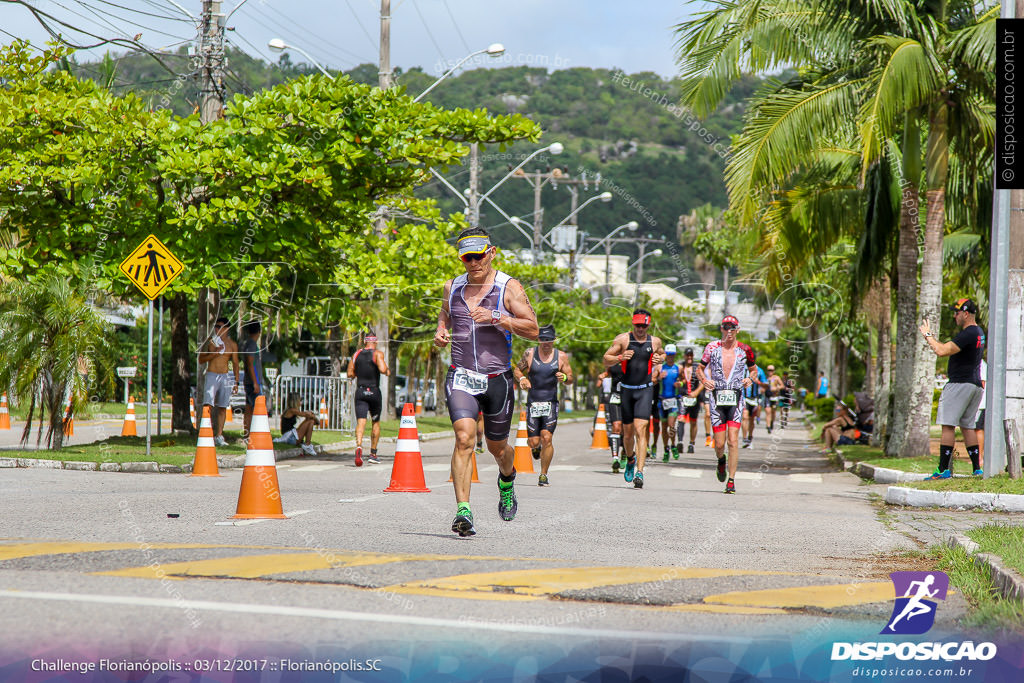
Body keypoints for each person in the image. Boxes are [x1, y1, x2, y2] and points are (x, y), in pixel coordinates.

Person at [434, 228, 538, 537]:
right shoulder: (451, 287)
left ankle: (507, 480)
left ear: (491, 252)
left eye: (479, 255)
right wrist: (440, 329)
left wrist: (497, 316)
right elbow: (445, 315)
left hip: (498, 380)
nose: (474, 262)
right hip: (461, 374)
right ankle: (463, 511)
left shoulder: (509, 287)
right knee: (464, 438)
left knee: (498, 449)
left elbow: (533, 328)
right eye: (467, 257)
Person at [920, 298, 986, 478]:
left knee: (948, 426)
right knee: (968, 426)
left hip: (959, 384)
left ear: (965, 314)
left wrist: (928, 335)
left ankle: (943, 469)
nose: (954, 316)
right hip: (975, 385)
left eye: (956, 312)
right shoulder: (979, 332)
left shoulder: (968, 333)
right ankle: (976, 469)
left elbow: (941, 350)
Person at [602, 309, 666, 489]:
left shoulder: (654, 341)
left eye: (644, 325)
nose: (640, 329)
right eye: (638, 325)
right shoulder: (623, 339)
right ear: (633, 324)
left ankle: (640, 471)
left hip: (645, 390)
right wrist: (620, 357)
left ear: (648, 325)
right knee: (628, 433)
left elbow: (662, 354)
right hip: (627, 391)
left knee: (641, 429)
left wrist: (658, 359)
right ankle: (630, 458)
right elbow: (606, 359)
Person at [697, 315, 757, 494]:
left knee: (733, 441)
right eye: (726, 327)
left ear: (738, 329)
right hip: (717, 399)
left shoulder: (745, 350)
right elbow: (699, 368)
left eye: (733, 328)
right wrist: (704, 380)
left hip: (736, 399)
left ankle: (731, 480)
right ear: (721, 329)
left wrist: (749, 379)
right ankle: (721, 460)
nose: (729, 331)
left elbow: (753, 370)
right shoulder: (712, 348)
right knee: (720, 444)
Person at [514, 324, 573, 486]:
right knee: (533, 442)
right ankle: (535, 448)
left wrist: (565, 378)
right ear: (538, 340)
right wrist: (523, 379)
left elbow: (570, 377)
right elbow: (517, 370)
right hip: (533, 403)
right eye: (542, 339)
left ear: (554, 340)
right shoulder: (529, 354)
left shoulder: (561, 356)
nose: (546, 343)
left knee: (547, 437)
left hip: (550, 403)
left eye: (549, 340)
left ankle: (543, 474)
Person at [347, 332, 389, 466]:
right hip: (374, 392)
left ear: (364, 342)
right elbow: (383, 369)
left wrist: (358, 372)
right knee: (375, 423)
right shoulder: (377, 353)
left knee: (361, 422)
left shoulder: (356, 354)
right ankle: (373, 454)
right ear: (375, 342)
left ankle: (359, 445)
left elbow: (349, 373)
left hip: (361, 391)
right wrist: (387, 371)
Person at [197, 317, 239, 447]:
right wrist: (214, 353)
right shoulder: (211, 342)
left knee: (222, 406)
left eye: (219, 326)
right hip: (212, 374)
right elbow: (201, 358)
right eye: (215, 326)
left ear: (226, 328)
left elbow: (236, 363)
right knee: (208, 404)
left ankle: (219, 435)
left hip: (225, 376)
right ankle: (206, 432)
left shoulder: (232, 345)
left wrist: (236, 381)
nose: (216, 329)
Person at [240, 319, 266, 440]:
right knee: (258, 409)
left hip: (249, 381)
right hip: (252, 382)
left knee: (249, 408)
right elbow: (250, 363)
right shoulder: (251, 344)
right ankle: (255, 434)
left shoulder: (247, 343)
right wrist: (255, 382)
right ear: (259, 331)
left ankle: (247, 434)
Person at [656, 344, 682, 462]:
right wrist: (658, 378)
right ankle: (666, 449)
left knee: (671, 427)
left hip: (673, 400)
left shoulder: (678, 368)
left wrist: (680, 384)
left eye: (672, 355)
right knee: (664, 426)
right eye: (668, 355)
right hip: (662, 401)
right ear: (665, 355)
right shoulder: (660, 368)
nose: (670, 357)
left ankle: (673, 445)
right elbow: (651, 380)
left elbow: (684, 380)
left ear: (675, 355)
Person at [677, 347, 706, 454]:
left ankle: (691, 443)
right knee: (681, 419)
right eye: (687, 355)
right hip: (683, 397)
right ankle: (680, 441)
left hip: (695, 398)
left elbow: (703, 382)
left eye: (691, 355)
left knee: (693, 421)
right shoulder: (680, 366)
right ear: (684, 356)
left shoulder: (697, 367)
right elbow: (677, 379)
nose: (689, 357)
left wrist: (696, 393)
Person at [273, 392, 318, 456]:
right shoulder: (292, 410)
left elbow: (312, 418)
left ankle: (308, 445)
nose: (300, 402)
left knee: (310, 420)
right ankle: (307, 445)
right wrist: (313, 416)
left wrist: (312, 417)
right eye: (299, 400)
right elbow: (307, 415)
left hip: (290, 435)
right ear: (295, 401)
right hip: (290, 437)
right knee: (310, 421)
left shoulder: (290, 410)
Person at [598, 366, 625, 471]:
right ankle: (615, 458)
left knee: (627, 431)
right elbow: (608, 372)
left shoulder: (633, 361)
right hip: (615, 397)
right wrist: (603, 375)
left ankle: (625, 454)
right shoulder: (614, 364)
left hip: (629, 398)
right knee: (616, 426)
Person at [741, 364, 767, 448]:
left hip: (755, 399)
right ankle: (744, 439)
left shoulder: (759, 371)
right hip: (744, 397)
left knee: (752, 419)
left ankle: (750, 438)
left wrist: (758, 382)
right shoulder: (741, 368)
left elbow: (766, 385)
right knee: (745, 417)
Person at [766, 365, 785, 433]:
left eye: (771, 370)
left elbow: (782, 386)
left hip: (774, 397)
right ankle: (768, 426)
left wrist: (777, 388)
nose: (770, 371)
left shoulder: (776, 378)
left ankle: (771, 422)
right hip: (767, 397)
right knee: (768, 411)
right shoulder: (766, 378)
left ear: (773, 371)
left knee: (773, 412)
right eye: (769, 370)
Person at [975, 358, 987, 464]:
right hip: (975, 404)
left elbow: (982, 384)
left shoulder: (980, 363)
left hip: (980, 404)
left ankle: (979, 458)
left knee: (978, 429)